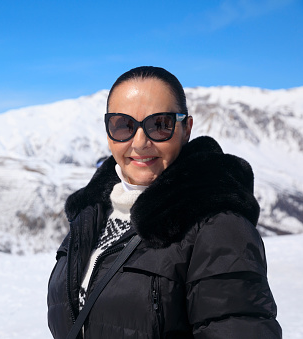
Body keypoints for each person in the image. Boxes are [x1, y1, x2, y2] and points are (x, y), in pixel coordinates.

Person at [47, 66, 282, 338]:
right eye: (123, 125)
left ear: (186, 128)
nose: (140, 142)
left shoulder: (217, 226)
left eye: (160, 125)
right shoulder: (92, 215)